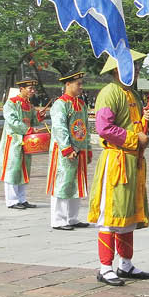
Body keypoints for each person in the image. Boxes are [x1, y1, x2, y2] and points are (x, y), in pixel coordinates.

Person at [88, 51, 149, 285]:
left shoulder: (133, 94)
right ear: (117, 69)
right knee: (111, 213)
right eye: (130, 66)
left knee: (128, 215)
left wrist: (147, 120)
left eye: (136, 67)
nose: (135, 71)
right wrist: (135, 138)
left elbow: (136, 126)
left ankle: (125, 264)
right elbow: (104, 128)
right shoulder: (110, 93)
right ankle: (105, 267)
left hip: (133, 160)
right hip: (116, 160)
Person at [47, 71, 91, 230]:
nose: (81, 86)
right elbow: (59, 128)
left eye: (81, 83)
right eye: (78, 84)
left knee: (76, 183)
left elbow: (85, 127)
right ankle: (58, 220)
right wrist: (67, 148)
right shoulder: (60, 104)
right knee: (62, 182)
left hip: (80, 149)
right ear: (67, 84)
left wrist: (88, 148)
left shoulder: (81, 104)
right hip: (64, 151)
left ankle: (72, 217)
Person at [0, 79, 47, 209]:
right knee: (12, 170)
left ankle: (22, 198)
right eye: (30, 88)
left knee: (24, 169)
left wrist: (39, 116)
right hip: (13, 141)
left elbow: (33, 121)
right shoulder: (11, 103)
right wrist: (28, 130)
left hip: (26, 141)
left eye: (33, 89)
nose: (33, 91)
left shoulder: (29, 105)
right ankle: (12, 201)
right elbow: (12, 121)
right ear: (22, 89)